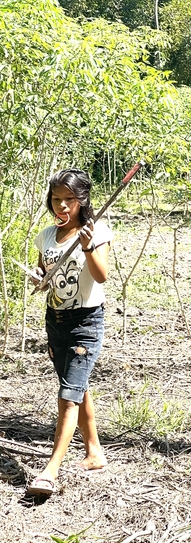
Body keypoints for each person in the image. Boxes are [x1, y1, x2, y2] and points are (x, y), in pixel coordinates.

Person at [27, 169, 113, 497]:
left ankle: (50, 470)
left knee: (68, 395)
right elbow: (43, 269)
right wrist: (38, 276)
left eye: (69, 200)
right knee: (76, 388)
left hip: (86, 322)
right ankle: (94, 452)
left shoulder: (97, 231)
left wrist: (89, 246)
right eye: (56, 199)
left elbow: (102, 276)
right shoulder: (48, 236)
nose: (62, 205)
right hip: (55, 321)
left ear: (82, 201)